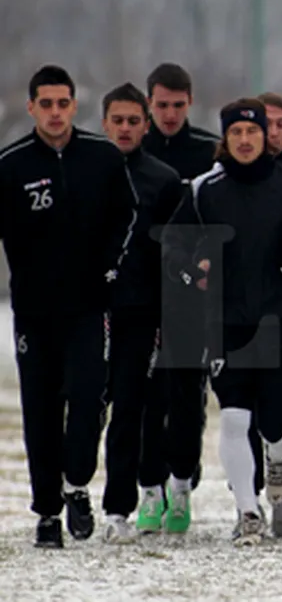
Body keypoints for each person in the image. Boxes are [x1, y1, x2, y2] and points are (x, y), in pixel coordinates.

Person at [163, 98, 282, 545]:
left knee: (276, 425)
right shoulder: (204, 190)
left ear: (265, 136)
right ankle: (248, 512)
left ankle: (280, 466)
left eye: (251, 132)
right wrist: (193, 274)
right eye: (235, 133)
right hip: (225, 323)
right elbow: (174, 246)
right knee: (235, 418)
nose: (243, 140)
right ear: (225, 138)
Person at [0, 65, 137, 548]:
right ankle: (47, 513)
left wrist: (109, 268)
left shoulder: (101, 159)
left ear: (74, 106)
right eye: (46, 104)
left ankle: (76, 482)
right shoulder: (11, 165)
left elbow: (126, 216)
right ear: (31, 106)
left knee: (86, 401)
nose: (55, 113)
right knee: (40, 412)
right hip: (35, 314)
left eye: (63, 104)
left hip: (88, 308)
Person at [99, 83, 189, 541]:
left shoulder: (164, 179)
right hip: (93, 311)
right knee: (101, 408)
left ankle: (137, 499)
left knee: (144, 408)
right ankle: (92, 499)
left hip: (147, 312)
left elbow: (177, 249)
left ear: (146, 124)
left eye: (134, 121)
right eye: (118, 120)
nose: (126, 128)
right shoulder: (88, 169)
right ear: (104, 123)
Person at [142, 62, 218, 493]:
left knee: (189, 388)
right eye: (161, 105)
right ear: (149, 103)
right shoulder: (132, 150)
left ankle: (184, 474)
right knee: (149, 392)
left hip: (193, 291)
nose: (169, 113)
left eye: (177, 105)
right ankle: (149, 480)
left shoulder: (210, 151)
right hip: (144, 290)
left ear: (189, 102)